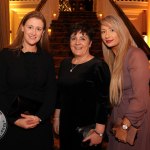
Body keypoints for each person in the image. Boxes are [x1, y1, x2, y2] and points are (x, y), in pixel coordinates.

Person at [0, 11, 57, 150]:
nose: (34, 32)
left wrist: (39, 118)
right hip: (11, 126)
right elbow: (1, 92)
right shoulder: (6, 55)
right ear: (22, 28)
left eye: (38, 29)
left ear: (43, 32)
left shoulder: (47, 59)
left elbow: (52, 94)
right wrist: (15, 120)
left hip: (40, 127)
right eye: (30, 27)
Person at [53, 21, 110, 150]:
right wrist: (57, 118)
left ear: (90, 43)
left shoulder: (98, 66)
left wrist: (99, 132)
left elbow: (103, 102)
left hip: (87, 129)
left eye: (82, 38)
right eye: (73, 38)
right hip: (66, 124)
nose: (77, 42)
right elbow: (60, 94)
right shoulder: (65, 64)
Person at [100, 15, 150, 150]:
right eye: (103, 31)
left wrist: (124, 125)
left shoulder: (136, 55)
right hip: (119, 118)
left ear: (120, 31)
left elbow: (141, 97)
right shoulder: (114, 59)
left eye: (111, 30)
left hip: (133, 121)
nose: (107, 35)